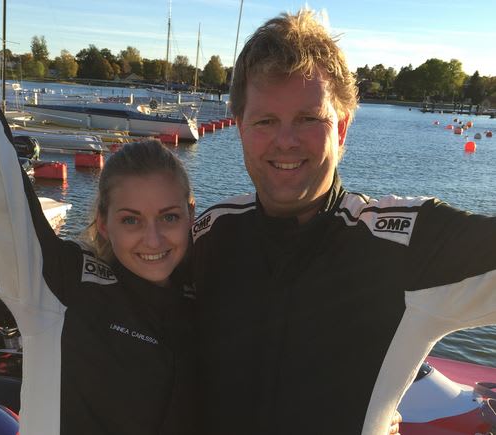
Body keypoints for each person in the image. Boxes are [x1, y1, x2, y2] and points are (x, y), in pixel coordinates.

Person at [191, 9, 496, 435]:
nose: (286, 141)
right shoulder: (209, 236)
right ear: (240, 127)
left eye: (308, 118)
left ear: (342, 128)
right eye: (265, 121)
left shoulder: (406, 247)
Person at [0, 2, 196, 434]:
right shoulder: (58, 287)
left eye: (169, 216)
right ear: (103, 223)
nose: (153, 238)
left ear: (191, 214)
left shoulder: (209, 297)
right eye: (131, 220)